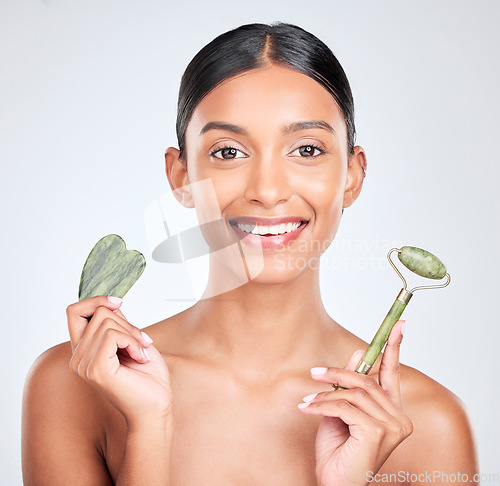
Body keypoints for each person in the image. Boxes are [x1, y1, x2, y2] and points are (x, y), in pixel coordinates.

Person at [22, 23, 478, 485]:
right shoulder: (79, 384)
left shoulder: (426, 426)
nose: (267, 190)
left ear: (352, 177)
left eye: (306, 149)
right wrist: (148, 428)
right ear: (180, 177)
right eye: (227, 152)